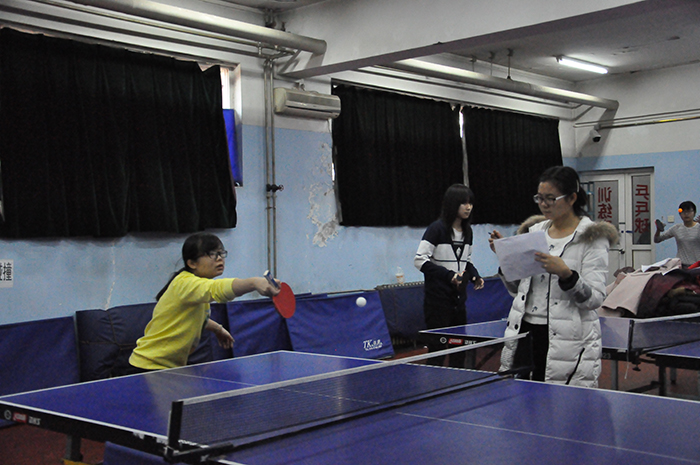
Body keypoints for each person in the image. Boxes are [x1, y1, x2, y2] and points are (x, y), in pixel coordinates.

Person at [488, 166, 617, 386]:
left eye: (551, 198)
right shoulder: (533, 232)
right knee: (523, 399)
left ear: (572, 198)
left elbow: (594, 299)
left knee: (559, 402)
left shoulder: (592, 238)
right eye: (539, 198)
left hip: (567, 339)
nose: (544, 204)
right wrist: (506, 258)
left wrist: (566, 274)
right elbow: (517, 290)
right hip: (526, 332)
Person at [127, 232, 280, 373]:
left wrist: (218, 329)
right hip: (148, 366)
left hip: (167, 367)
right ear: (192, 263)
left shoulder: (195, 288)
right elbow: (217, 289)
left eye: (221, 253)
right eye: (211, 254)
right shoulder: (185, 283)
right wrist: (253, 283)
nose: (219, 258)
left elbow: (194, 316)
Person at [414, 184, 484, 368]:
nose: (468, 207)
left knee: (459, 350)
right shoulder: (436, 229)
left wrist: (475, 276)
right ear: (453, 204)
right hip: (437, 302)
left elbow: (466, 262)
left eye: (470, 203)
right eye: (464, 203)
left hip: (458, 302)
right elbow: (419, 261)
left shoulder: (468, 232)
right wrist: (449, 276)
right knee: (437, 352)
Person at [654, 201, 700, 268]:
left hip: (697, 266)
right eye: (683, 212)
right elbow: (657, 240)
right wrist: (658, 230)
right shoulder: (676, 228)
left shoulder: (698, 227)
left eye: (689, 211)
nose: (686, 214)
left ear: (694, 213)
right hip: (681, 265)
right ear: (680, 214)